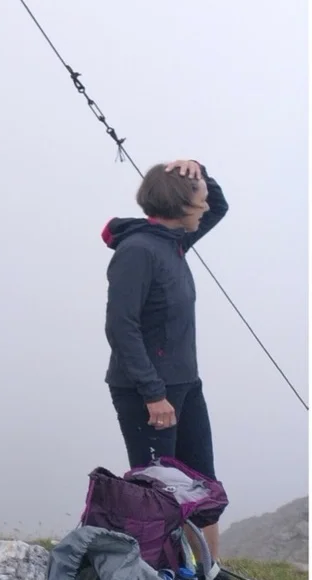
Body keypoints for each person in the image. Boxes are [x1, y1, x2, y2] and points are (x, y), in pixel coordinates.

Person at [101, 159, 229, 560]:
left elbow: (220, 206)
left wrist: (198, 170)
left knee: (202, 490)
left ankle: (207, 570)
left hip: (185, 385)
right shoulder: (138, 251)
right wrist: (153, 394)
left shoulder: (174, 241)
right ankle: (165, 571)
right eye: (199, 200)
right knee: (160, 500)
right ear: (178, 206)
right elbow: (121, 327)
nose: (206, 207)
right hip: (148, 394)